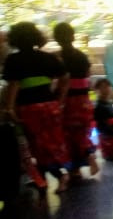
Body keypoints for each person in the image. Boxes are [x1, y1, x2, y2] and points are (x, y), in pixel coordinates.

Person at [1, 22, 70, 191]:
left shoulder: (14, 60)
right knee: (51, 143)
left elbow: (14, 85)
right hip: (50, 105)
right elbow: (65, 78)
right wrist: (60, 100)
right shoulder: (48, 57)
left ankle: (56, 176)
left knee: (35, 145)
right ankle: (49, 176)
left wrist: (9, 108)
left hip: (29, 108)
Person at [53, 21, 99, 180]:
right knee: (81, 132)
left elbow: (56, 80)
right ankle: (86, 157)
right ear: (73, 36)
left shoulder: (56, 57)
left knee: (67, 134)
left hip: (66, 100)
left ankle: (76, 167)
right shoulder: (81, 55)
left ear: (56, 38)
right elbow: (87, 75)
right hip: (83, 100)